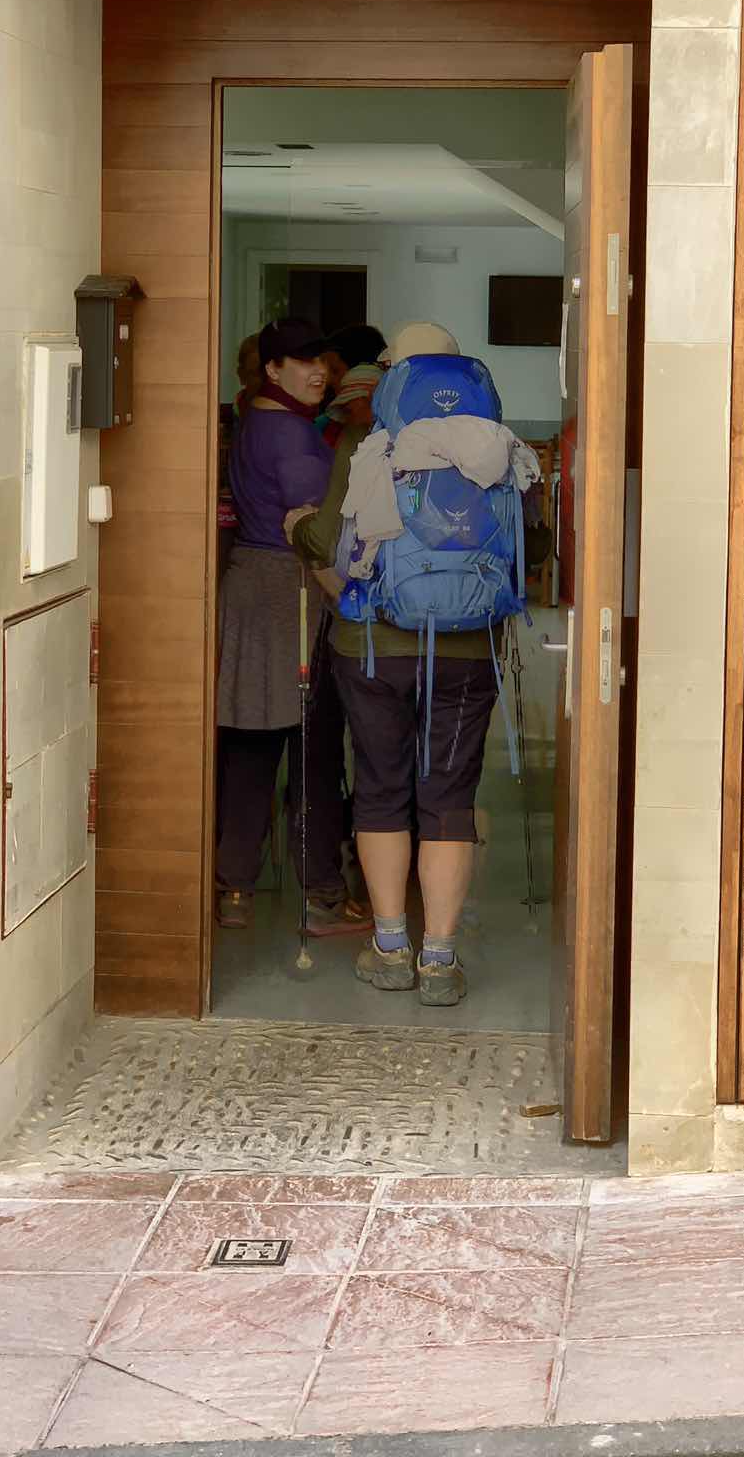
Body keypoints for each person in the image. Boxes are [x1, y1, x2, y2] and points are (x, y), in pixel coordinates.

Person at [286, 322, 551, 1007]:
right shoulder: (503, 447)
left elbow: (333, 543)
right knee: (449, 798)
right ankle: (439, 959)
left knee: (380, 789)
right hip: (469, 651)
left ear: (394, 377)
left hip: (374, 649)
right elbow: (538, 547)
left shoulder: (369, 443)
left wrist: (296, 527)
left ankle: (389, 946)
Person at [216, 318, 372, 938]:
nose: (319, 373)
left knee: (252, 744)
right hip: (292, 591)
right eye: (302, 362)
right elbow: (314, 539)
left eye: (322, 362)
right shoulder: (288, 434)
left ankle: (234, 888)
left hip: (254, 585)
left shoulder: (257, 421)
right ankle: (322, 895)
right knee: (313, 745)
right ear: (272, 369)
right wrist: (353, 602)